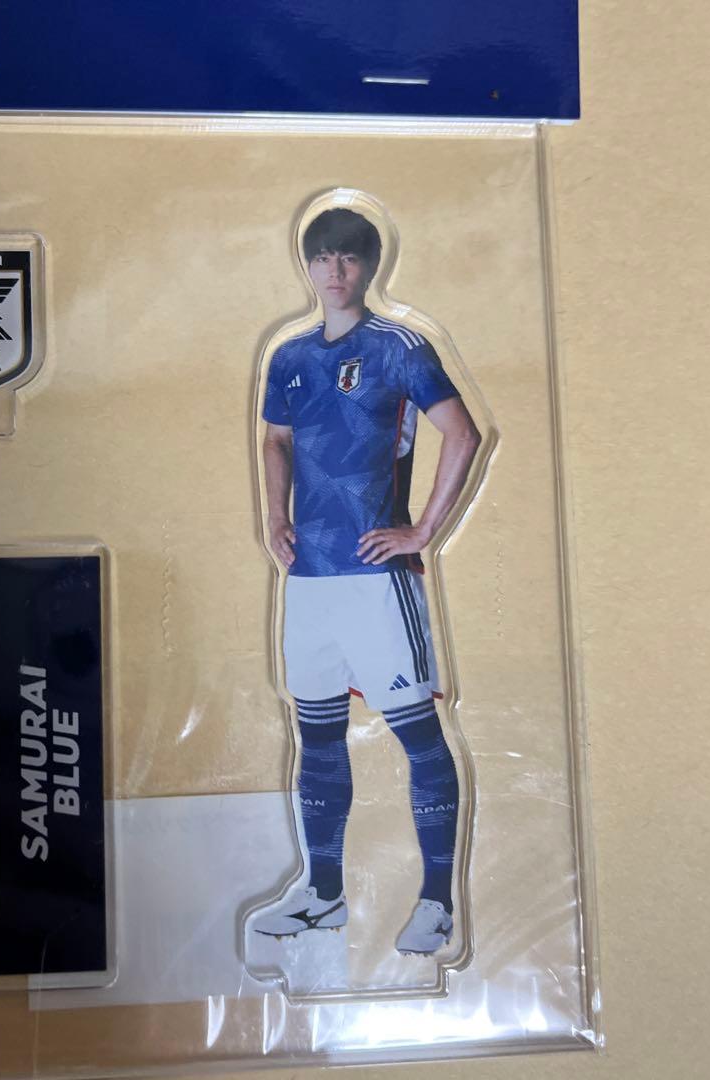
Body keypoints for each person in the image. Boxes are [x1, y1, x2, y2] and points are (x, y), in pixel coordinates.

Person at [254, 206, 482, 954]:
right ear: (307, 264)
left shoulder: (398, 347)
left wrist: (423, 532)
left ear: (370, 266)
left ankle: (438, 903)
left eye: (348, 257)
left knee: (419, 735)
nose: (335, 270)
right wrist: (274, 516)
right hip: (309, 581)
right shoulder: (288, 355)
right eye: (323, 257)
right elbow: (276, 440)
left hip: (377, 578)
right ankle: (322, 895)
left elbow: (463, 434)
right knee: (316, 737)